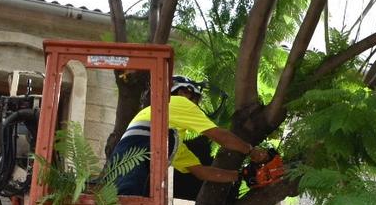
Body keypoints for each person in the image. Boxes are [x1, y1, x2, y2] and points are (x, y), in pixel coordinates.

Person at [108, 76, 270, 197]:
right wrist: (251, 150)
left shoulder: (169, 139)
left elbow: (201, 172)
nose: (196, 106)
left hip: (119, 177)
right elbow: (220, 136)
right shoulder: (177, 102)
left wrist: (243, 175)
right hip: (132, 174)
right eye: (196, 100)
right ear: (184, 92)